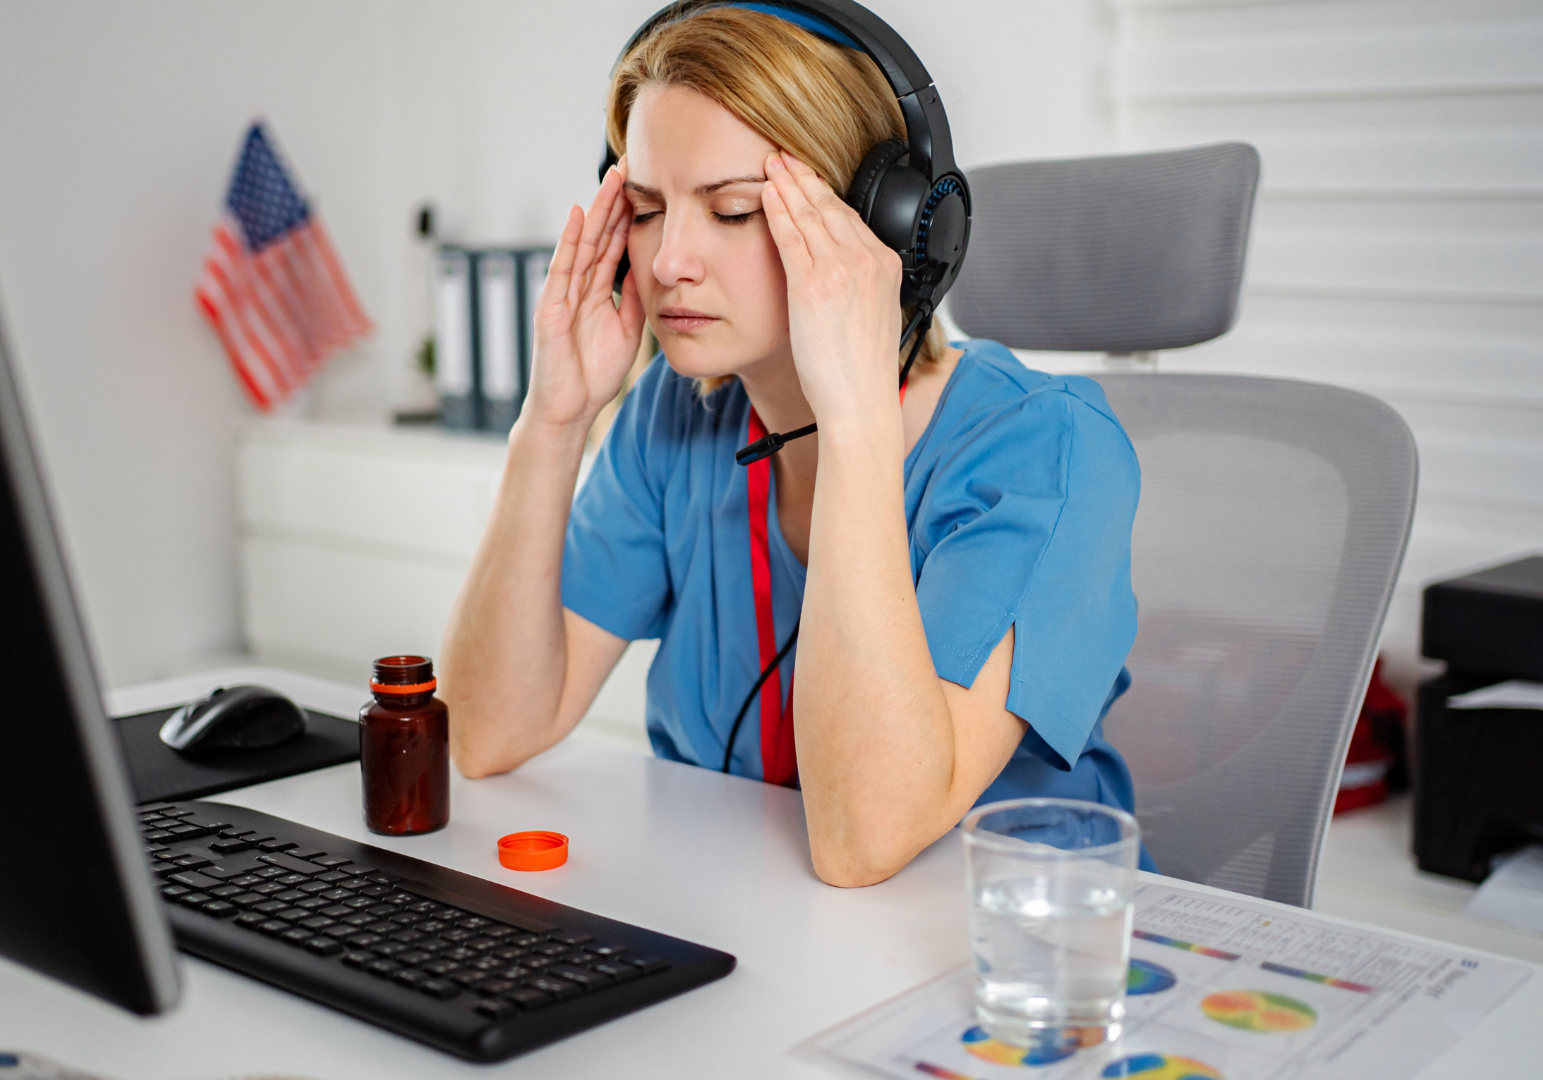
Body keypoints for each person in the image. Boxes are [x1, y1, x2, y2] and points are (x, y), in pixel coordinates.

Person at [440, 4, 1147, 888]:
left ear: (878, 224)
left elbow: (864, 838)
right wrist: (551, 423)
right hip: (758, 930)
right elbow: (484, 732)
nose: (667, 264)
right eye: (649, 210)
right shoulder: (675, 413)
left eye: (733, 211)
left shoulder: (1046, 455)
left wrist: (852, 420)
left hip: (1012, 964)